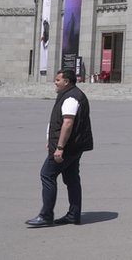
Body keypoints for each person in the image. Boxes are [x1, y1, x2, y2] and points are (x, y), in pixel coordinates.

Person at [26, 69, 93, 227]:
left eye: (57, 80)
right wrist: (51, 140)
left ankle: (46, 215)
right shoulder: (72, 94)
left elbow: (68, 123)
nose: (55, 82)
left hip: (67, 147)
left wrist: (60, 147)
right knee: (71, 178)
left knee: (47, 174)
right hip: (75, 145)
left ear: (66, 82)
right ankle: (73, 215)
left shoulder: (71, 97)